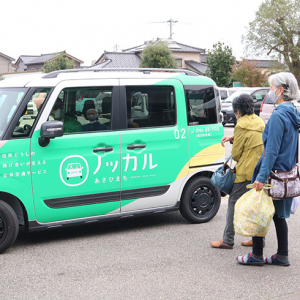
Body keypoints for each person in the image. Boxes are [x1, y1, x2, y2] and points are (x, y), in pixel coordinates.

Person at [236, 72, 300, 266]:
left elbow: (271, 150)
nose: (270, 91)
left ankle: (256, 255)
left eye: (272, 87)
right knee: (279, 216)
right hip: (285, 174)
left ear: (281, 90)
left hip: (271, 175)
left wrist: (261, 177)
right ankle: (282, 255)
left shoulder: (279, 114)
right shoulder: (294, 112)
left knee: (257, 211)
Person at [210, 94, 265, 249]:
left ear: (238, 111)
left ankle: (227, 240)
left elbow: (235, 154)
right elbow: (251, 139)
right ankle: (258, 239)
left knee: (233, 204)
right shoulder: (260, 121)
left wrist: (234, 140)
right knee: (256, 206)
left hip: (245, 172)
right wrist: (233, 138)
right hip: (259, 172)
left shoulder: (240, 124)